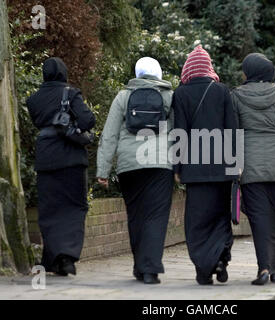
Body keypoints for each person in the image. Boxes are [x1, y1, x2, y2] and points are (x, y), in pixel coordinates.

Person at [96, 57, 174, 285]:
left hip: (129, 166)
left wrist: (103, 169)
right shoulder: (169, 96)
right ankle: (150, 269)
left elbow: (109, 135)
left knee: (136, 215)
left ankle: (140, 265)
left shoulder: (123, 96)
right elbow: (180, 132)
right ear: (159, 73)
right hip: (161, 164)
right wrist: (181, 166)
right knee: (156, 217)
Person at [172, 45, 237, 285]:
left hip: (194, 170)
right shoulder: (222, 91)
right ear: (209, 67)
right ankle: (220, 258)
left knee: (197, 221)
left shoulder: (181, 94)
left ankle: (203, 268)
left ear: (188, 67)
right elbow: (232, 129)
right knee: (221, 217)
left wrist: (177, 168)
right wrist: (235, 163)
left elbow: (179, 133)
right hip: (221, 169)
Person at [231, 53, 275, 285]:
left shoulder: (236, 96)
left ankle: (263, 268)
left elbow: (234, 131)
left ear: (249, 72)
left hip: (250, 164)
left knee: (259, 218)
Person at [27, 57, 96, 276]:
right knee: (75, 207)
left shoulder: (34, 99)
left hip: (46, 160)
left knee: (50, 210)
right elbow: (88, 121)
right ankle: (67, 257)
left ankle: (53, 258)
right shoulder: (70, 93)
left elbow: (37, 123)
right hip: (72, 159)